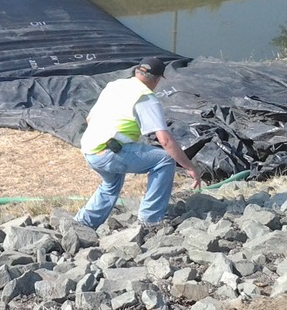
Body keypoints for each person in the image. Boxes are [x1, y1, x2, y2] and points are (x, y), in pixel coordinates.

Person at [75, 56, 202, 231]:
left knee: (110, 185)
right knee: (164, 160)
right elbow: (165, 140)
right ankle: (150, 220)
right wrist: (189, 167)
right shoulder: (145, 97)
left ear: (136, 71)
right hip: (109, 152)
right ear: (157, 79)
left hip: (90, 150)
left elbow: (90, 119)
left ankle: (82, 224)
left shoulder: (115, 85)